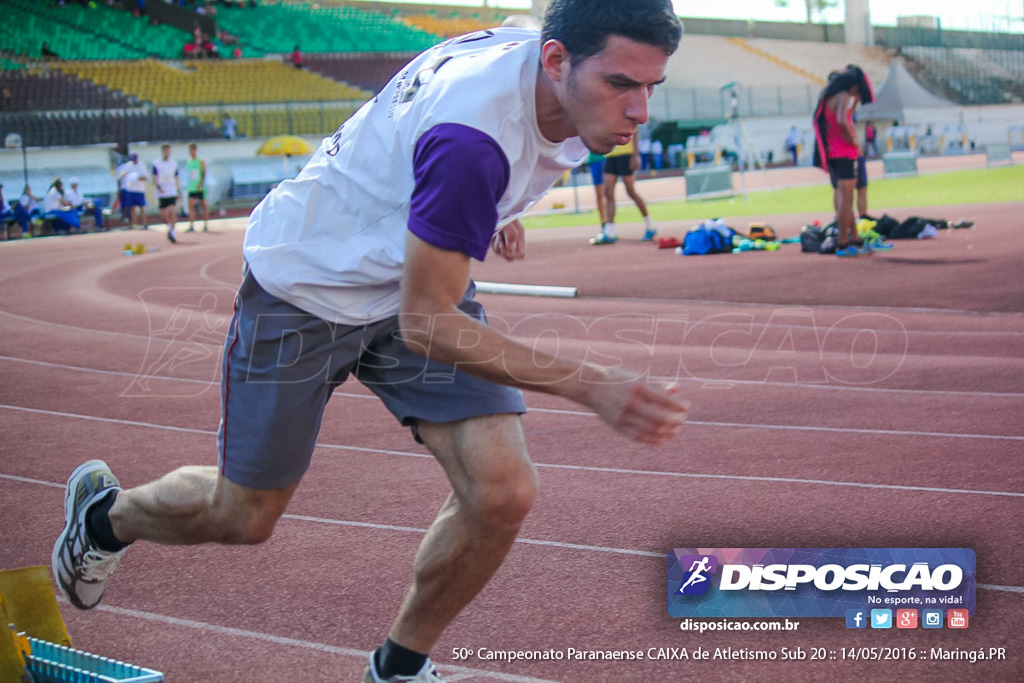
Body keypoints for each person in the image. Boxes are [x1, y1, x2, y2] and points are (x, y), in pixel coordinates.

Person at [52, 3, 686, 683]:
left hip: (407, 272)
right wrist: (592, 383)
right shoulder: (471, 144)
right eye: (622, 84)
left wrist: (491, 210)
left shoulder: (531, 55)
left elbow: (509, 32)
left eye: (654, 85)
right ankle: (104, 518)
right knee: (244, 515)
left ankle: (397, 666)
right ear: (557, 61)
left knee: (501, 490)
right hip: (309, 286)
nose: (641, 109)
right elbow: (432, 324)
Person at [812, 65, 877, 257]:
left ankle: (854, 239)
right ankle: (843, 242)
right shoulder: (842, 95)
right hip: (844, 152)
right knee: (846, 198)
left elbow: (842, 116)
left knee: (845, 198)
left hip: (833, 151)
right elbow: (842, 120)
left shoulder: (829, 97)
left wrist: (855, 102)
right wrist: (854, 142)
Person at [591, 132, 656, 245]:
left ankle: (650, 226)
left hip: (626, 154)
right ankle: (609, 231)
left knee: (630, 192)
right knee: (608, 192)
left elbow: (635, 131)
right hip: (610, 155)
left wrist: (635, 155)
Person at [152, 143, 180, 243]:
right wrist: (158, 186)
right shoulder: (156, 163)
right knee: (164, 217)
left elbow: (176, 177)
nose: (166, 152)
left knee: (172, 212)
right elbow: (154, 177)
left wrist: (178, 190)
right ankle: (169, 227)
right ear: (162, 151)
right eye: (165, 150)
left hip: (171, 191)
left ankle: (172, 232)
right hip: (162, 192)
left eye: (168, 150)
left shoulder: (174, 163)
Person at [119, 153, 148, 230]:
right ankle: (134, 224)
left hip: (139, 190)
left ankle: (144, 224)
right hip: (131, 189)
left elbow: (145, 177)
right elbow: (122, 174)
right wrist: (126, 175)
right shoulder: (128, 165)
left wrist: (137, 178)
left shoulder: (142, 165)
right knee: (132, 207)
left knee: (142, 207)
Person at [185, 143, 209, 232]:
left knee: (203, 206)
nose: (191, 152)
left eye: (192, 150)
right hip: (192, 188)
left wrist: (200, 184)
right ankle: (191, 225)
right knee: (191, 206)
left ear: (195, 150)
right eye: (190, 150)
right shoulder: (189, 161)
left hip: (200, 188)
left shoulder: (200, 161)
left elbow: (203, 174)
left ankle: (205, 224)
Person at [586, 152, 607, 234]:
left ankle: (609, 224)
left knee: (608, 193)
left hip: (605, 159)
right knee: (599, 194)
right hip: (594, 161)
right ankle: (604, 223)